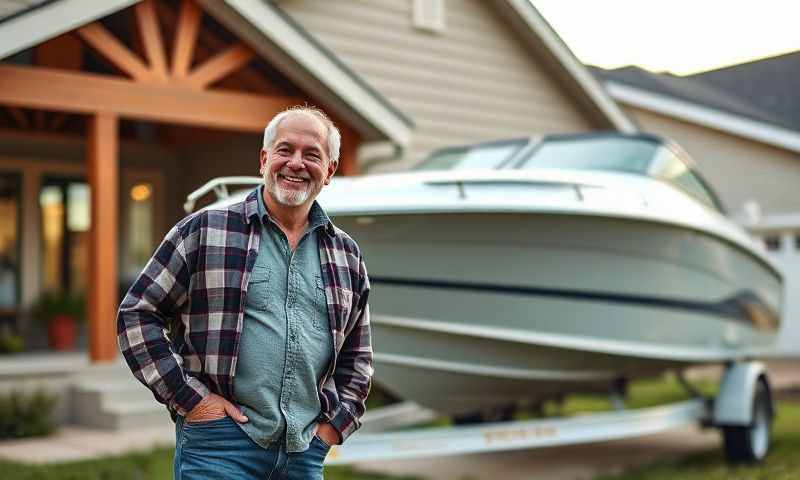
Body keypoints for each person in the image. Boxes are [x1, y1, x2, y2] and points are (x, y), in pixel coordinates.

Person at [117, 106, 372, 480]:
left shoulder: (346, 255)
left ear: (330, 171)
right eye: (285, 150)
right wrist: (192, 400)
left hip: (304, 453)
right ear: (264, 159)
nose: (296, 163)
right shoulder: (204, 230)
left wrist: (332, 428)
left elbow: (358, 356)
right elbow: (138, 313)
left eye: (312, 154)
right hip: (219, 447)